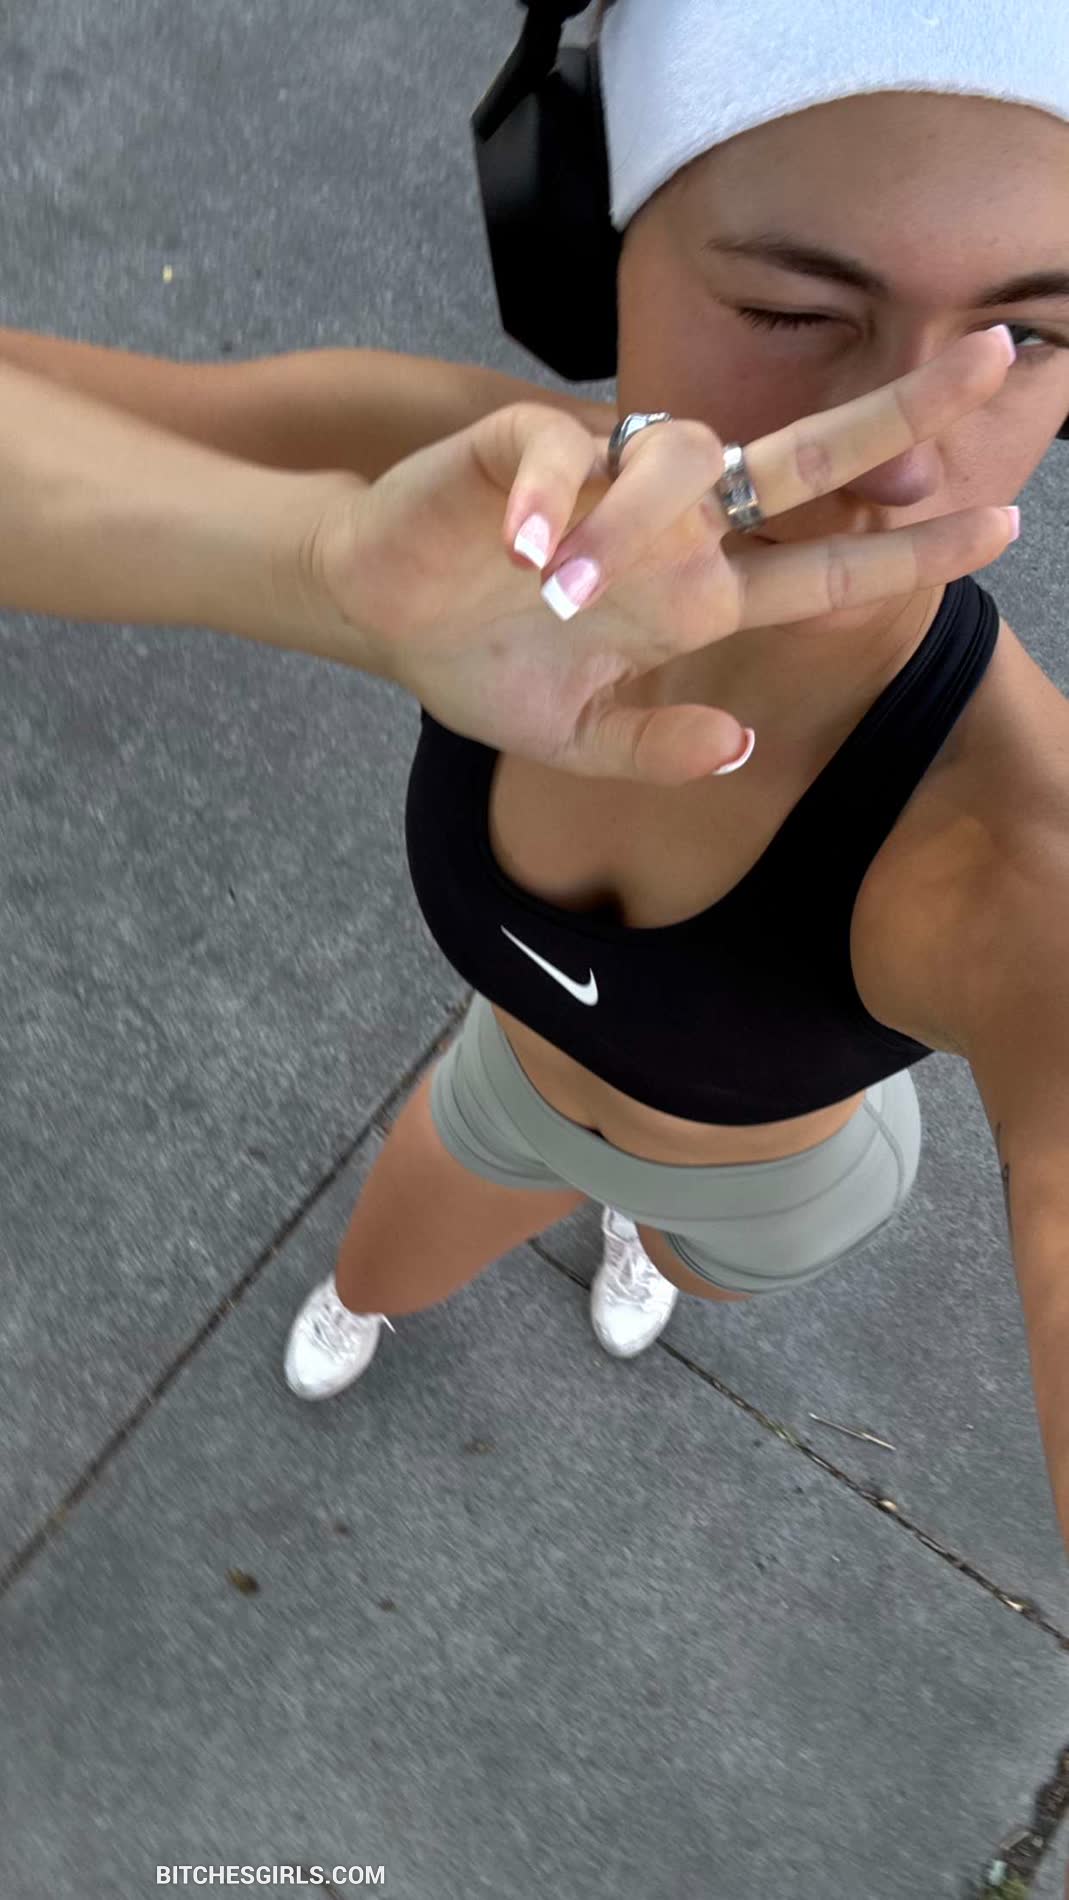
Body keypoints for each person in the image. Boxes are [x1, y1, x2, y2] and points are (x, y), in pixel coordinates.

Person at [1, 6, 1068, 1579]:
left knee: (695, 1263)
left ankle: (641, 1234)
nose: (906, 460)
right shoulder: (450, 487)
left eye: (1027, 338)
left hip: (777, 1192)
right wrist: (307, 568)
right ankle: (426, 1281)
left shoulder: (1009, 834)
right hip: (508, 1092)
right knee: (378, 1276)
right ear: (586, 257)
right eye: (791, 308)